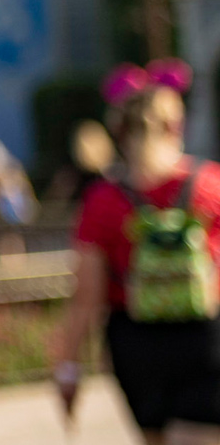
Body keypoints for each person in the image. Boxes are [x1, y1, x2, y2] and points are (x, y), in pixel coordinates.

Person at [52, 60, 220, 443]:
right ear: (176, 126)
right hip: (205, 336)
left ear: (118, 130)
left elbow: (87, 297)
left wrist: (69, 368)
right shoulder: (211, 185)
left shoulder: (103, 201)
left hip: (135, 341)